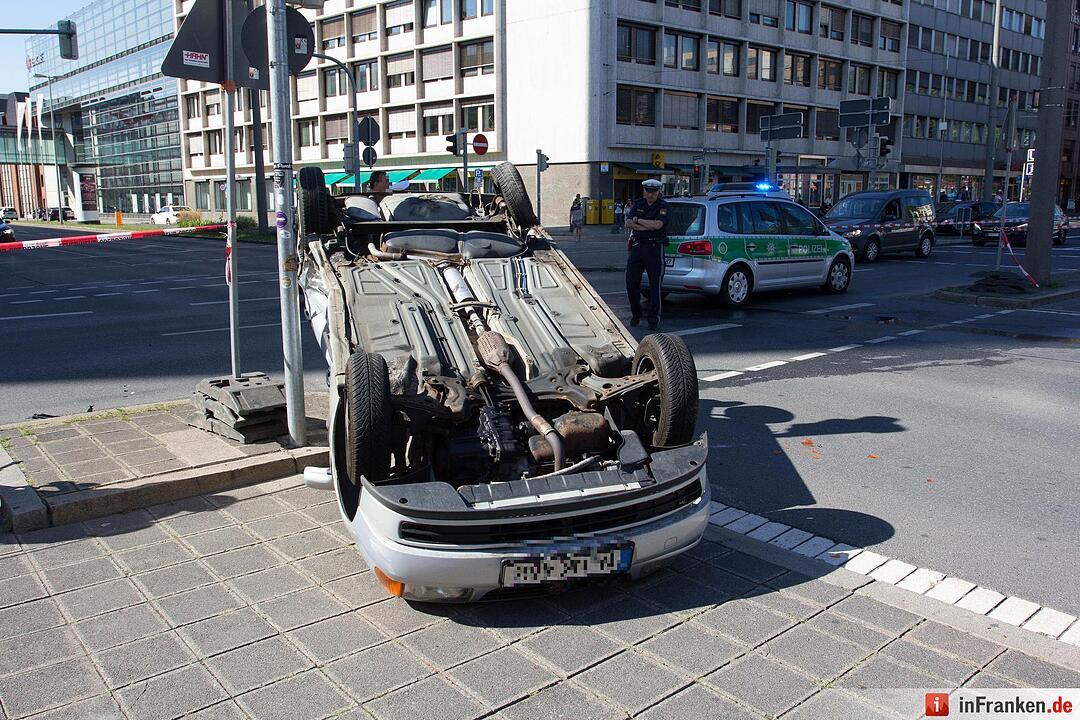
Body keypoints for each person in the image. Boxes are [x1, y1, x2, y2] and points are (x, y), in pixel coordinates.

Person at [625, 178, 669, 331]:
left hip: (654, 248)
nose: (650, 195)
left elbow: (658, 225)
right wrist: (646, 226)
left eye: (653, 192)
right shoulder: (638, 204)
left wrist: (639, 220)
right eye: (648, 191)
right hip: (638, 247)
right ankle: (636, 314)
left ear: (658, 192)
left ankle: (653, 319)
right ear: (644, 191)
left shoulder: (663, 206)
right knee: (631, 282)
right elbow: (628, 223)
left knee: (654, 285)